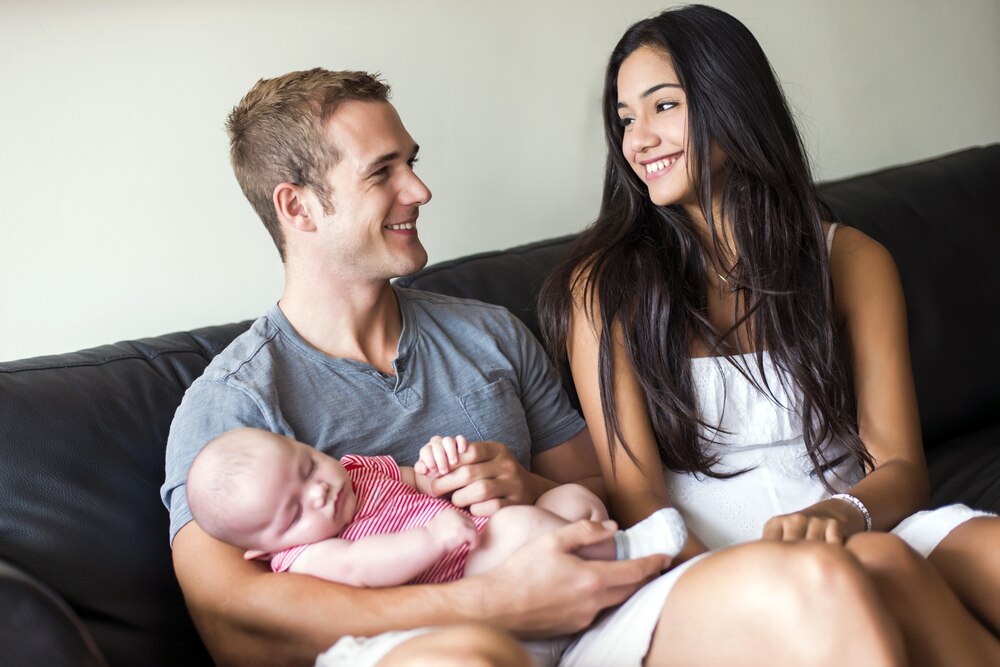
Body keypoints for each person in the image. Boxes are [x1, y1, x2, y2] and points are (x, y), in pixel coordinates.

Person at [161, 66, 912, 667]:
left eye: (412, 163)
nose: (419, 190)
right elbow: (236, 626)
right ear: (298, 208)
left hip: (590, 616)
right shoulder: (232, 405)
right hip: (431, 644)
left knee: (820, 581)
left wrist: (527, 485)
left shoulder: (488, 333)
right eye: (383, 172)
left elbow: (602, 490)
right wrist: (497, 603)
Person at [538, 5, 1000, 665]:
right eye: (625, 118)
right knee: (855, 572)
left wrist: (846, 511)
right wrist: (766, 575)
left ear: (733, 100)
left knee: (938, 555)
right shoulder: (605, 290)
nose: (638, 139)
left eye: (663, 106)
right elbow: (643, 505)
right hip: (698, 570)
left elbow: (899, 466)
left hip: (857, 524)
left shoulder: (851, 261)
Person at [186, 429, 687, 586]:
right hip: (467, 573)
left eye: (306, 468)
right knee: (518, 524)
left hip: (483, 529)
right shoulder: (308, 558)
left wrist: (443, 461)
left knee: (570, 498)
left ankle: (613, 551)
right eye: (294, 512)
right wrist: (430, 541)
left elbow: (423, 479)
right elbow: (361, 567)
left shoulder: (359, 470)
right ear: (263, 551)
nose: (318, 492)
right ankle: (631, 559)